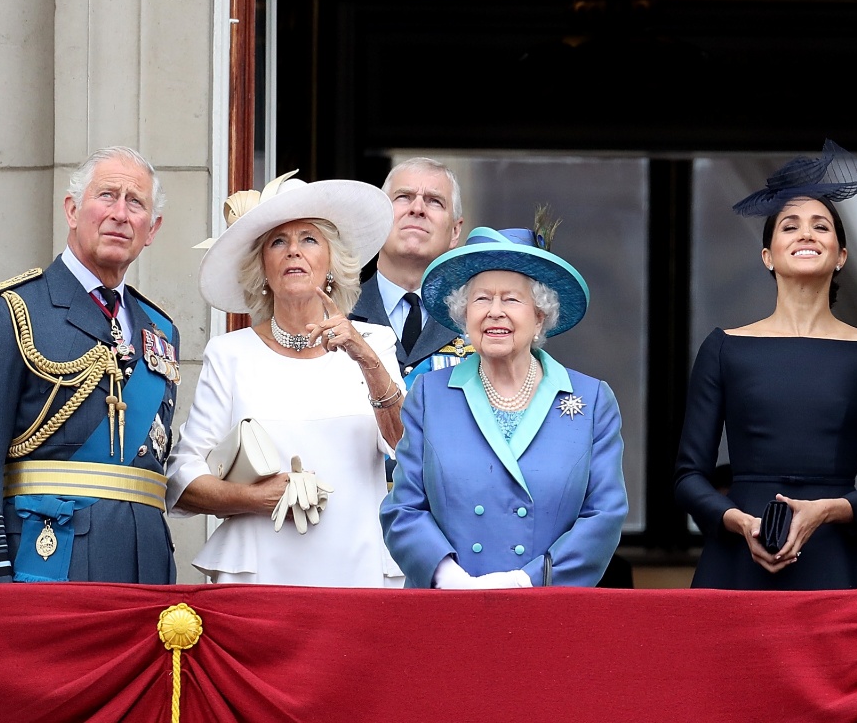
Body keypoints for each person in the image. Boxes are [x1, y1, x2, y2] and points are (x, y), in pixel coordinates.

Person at [672, 140, 857, 590]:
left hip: (840, 559)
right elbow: (688, 478)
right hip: (739, 557)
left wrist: (828, 510)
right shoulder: (725, 348)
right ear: (767, 256)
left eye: (821, 226)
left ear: (841, 256)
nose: (806, 234)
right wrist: (740, 523)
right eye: (790, 226)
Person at [0, 146, 180, 584]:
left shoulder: (161, 329)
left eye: (136, 202)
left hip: (145, 566)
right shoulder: (12, 312)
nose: (120, 213)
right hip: (48, 564)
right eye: (107, 195)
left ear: (152, 229)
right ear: (72, 210)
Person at [165, 172, 406, 586]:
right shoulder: (230, 353)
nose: (294, 251)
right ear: (263, 267)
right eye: (279, 241)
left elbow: (407, 445)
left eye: (309, 239)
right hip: (260, 575)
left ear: (332, 261)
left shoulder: (375, 342)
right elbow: (181, 480)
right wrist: (254, 498)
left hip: (358, 569)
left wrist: (364, 357)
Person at [381, 222, 628, 589]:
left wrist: (524, 581)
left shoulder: (591, 401)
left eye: (511, 299)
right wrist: (449, 579)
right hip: (446, 607)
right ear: (465, 316)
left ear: (540, 315)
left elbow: (604, 516)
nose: (495, 311)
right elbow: (403, 508)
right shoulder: (429, 395)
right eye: (481, 299)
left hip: (546, 609)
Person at [350, 157, 470, 386]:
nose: (417, 209)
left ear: (455, 231)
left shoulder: (475, 319)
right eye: (404, 197)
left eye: (434, 201)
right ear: (379, 216)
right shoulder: (337, 311)